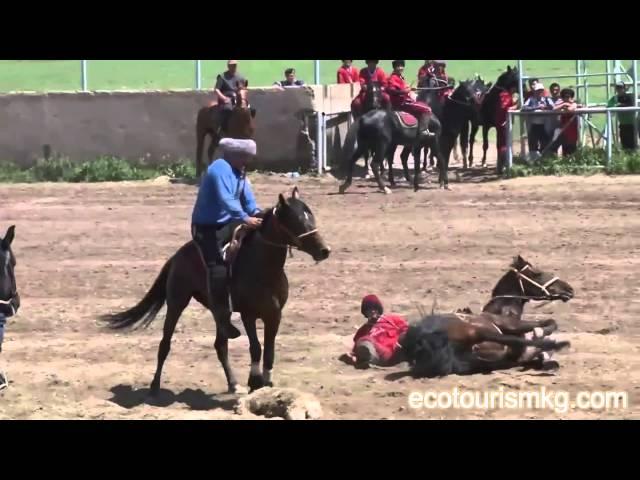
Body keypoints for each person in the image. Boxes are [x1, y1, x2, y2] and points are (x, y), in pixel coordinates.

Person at [191, 138, 263, 339]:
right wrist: (245, 218)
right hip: (207, 227)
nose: (247, 162)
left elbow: (247, 199)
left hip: (229, 221)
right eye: (246, 157)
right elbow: (227, 200)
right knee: (218, 267)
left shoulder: (239, 172)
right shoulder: (219, 169)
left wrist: (257, 214)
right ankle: (222, 317)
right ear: (234, 154)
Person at [340, 295, 408, 368]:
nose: (372, 311)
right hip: (379, 355)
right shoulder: (363, 330)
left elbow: (406, 330)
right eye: (369, 310)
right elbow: (357, 347)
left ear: (378, 309)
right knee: (365, 340)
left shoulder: (392, 320)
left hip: (395, 353)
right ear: (365, 313)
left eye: (374, 308)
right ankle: (367, 359)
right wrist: (353, 355)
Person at [386, 60, 434, 139]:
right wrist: (406, 91)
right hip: (402, 102)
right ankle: (423, 131)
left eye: (402, 66)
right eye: (398, 66)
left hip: (406, 100)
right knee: (427, 109)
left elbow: (404, 88)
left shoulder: (400, 77)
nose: (400, 68)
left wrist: (411, 89)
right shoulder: (393, 78)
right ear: (394, 68)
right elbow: (392, 90)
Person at [522, 83, 556, 159]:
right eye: (538, 91)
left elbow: (553, 107)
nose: (539, 92)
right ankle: (534, 160)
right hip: (534, 125)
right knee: (533, 143)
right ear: (534, 91)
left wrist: (546, 107)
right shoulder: (531, 99)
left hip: (545, 125)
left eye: (541, 91)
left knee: (545, 143)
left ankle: (544, 159)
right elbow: (524, 108)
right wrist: (536, 107)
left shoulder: (547, 99)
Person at [214, 60, 247, 131]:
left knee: (249, 109)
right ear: (228, 66)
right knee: (228, 108)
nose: (234, 66)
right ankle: (223, 128)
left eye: (235, 65)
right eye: (232, 65)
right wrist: (224, 98)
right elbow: (217, 90)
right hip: (226, 98)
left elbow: (244, 89)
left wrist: (242, 98)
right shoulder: (222, 77)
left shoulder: (241, 77)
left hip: (238, 98)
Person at [495, 83, 520, 173]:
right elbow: (505, 108)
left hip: (502, 123)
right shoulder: (505, 95)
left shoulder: (506, 95)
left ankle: (500, 167)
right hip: (503, 124)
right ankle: (504, 166)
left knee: (503, 144)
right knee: (503, 145)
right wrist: (516, 106)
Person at [607, 81, 637, 151]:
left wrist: (619, 105)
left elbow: (631, 104)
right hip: (622, 124)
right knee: (624, 142)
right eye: (617, 88)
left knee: (632, 143)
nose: (619, 89)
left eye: (620, 88)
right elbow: (609, 105)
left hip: (632, 124)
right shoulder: (615, 98)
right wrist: (615, 106)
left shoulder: (629, 96)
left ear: (624, 88)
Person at [553, 88, 580, 157]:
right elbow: (554, 109)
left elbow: (570, 109)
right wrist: (563, 104)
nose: (567, 98)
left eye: (569, 96)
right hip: (564, 130)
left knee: (572, 148)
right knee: (564, 148)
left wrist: (567, 105)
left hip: (572, 130)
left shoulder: (574, 104)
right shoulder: (562, 104)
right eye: (565, 97)